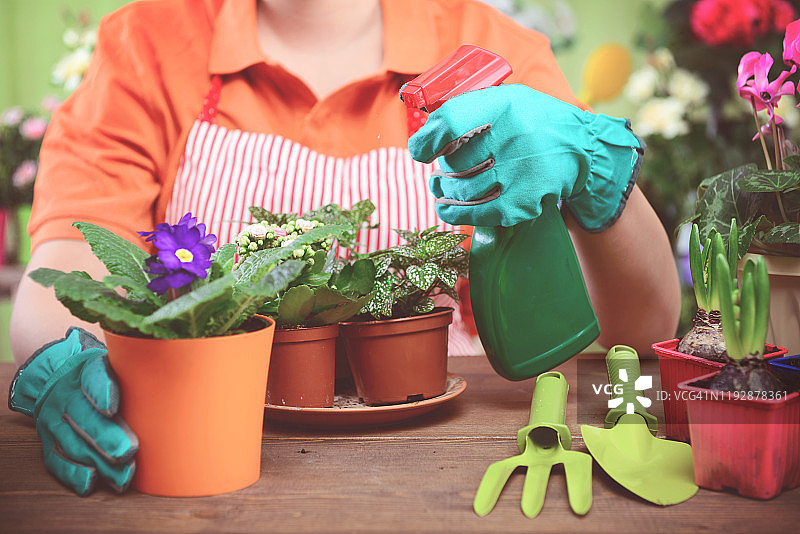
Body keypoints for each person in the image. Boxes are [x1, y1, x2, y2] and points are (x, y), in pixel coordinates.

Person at [9, 0, 681, 495]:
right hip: (215, 452)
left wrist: (596, 168)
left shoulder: (492, 53)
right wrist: (65, 352)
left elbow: (639, 330)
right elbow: (71, 260)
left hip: (451, 464)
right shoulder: (150, 41)